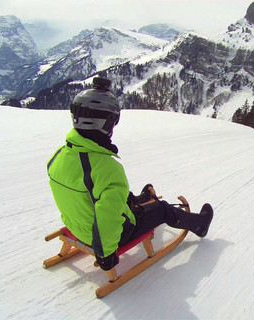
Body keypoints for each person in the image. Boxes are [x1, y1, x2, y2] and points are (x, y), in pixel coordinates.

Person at [47, 77, 214, 271]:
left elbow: (91, 195)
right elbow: (107, 217)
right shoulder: (106, 167)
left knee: (111, 194)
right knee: (161, 209)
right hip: (108, 237)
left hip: (77, 225)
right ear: (106, 122)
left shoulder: (59, 156)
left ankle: (140, 200)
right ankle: (199, 224)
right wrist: (106, 255)